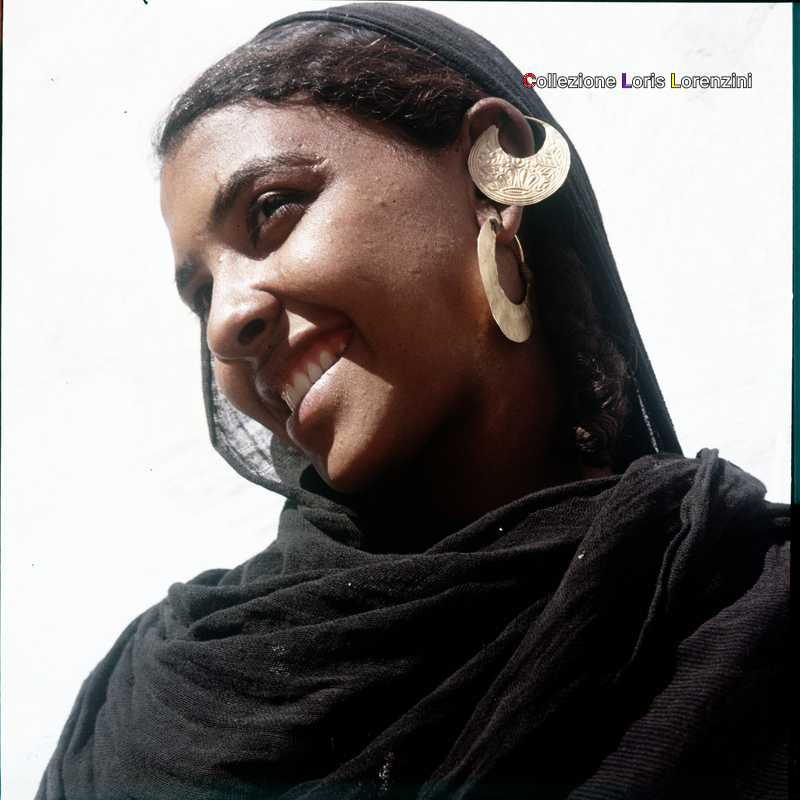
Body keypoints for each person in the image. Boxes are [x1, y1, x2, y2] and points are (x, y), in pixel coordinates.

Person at [37, 4, 789, 799]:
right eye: (200, 295)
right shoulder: (144, 705)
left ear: (495, 170)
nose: (225, 323)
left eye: (272, 208)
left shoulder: (750, 622)